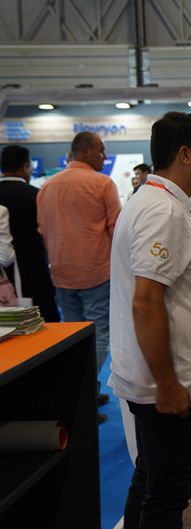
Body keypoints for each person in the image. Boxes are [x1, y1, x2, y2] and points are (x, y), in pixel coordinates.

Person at [108, 111, 191, 529]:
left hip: (168, 376)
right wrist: (168, 383)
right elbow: (146, 302)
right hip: (169, 381)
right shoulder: (162, 209)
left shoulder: (165, 203)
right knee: (167, 495)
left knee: (151, 482)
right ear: (185, 154)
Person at [36, 131, 122, 415]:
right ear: (85, 152)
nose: (105, 157)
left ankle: (84, 393)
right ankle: (82, 394)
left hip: (62, 274)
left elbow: (43, 230)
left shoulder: (47, 186)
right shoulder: (102, 183)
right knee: (98, 336)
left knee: (73, 336)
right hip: (96, 273)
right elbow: (118, 231)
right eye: (101, 150)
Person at [0, 145, 59, 321]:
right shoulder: (36, 195)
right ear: (26, 167)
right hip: (34, 272)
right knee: (46, 323)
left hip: (3, 276)